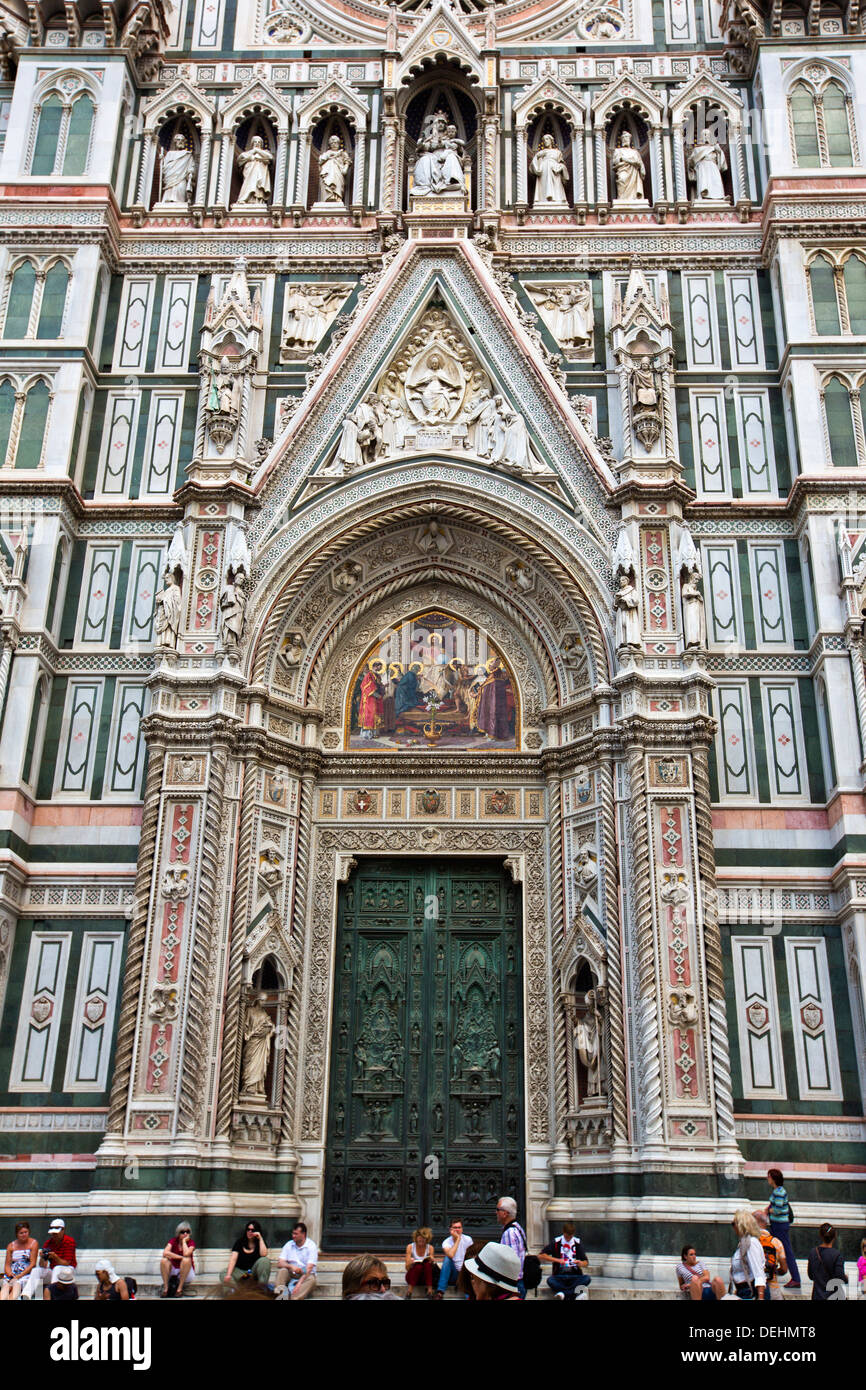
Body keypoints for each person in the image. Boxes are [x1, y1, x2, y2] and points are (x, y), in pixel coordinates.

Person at [22, 1216, 78, 1298]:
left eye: (56, 1233)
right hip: (53, 1270)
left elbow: (66, 1263)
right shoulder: (48, 1243)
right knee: (37, 1270)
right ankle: (26, 1295)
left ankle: (53, 1295)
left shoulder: (69, 1241)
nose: (54, 1235)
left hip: (68, 1270)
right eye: (53, 1233)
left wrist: (55, 1257)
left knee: (57, 1268)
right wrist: (42, 1257)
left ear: (63, 1230)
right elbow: (42, 1266)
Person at [765, 1168, 801, 1288]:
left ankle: (796, 1278)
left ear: (773, 1179)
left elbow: (779, 1209)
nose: (767, 1179)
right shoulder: (777, 1191)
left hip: (780, 1225)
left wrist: (768, 1210)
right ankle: (774, 1271)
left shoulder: (779, 1192)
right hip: (776, 1225)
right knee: (773, 1249)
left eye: (769, 1176)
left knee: (787, 1251)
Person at [540, 1221, 592, 1301]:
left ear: (573, 1234)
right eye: (567, 1236)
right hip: (560, 1275)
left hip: (575, 1275)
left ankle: (563, 1294)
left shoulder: (577, 1243)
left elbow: (586, 1262)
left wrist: (580, 1263)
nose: (568, 1239)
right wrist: (558, 1260)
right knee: (550, 1280)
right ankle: (574, 1295)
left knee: (587, 1278)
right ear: (563, 1232)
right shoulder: (557, 1242)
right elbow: (541, 1255)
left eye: (570, 1237)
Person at [727, 1209, 766, 1300]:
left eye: (734, 1223)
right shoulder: (743, 1243)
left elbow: (758, 1272)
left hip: (750, 1292)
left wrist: (760, 1297)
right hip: (743, 1291)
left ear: (742, 1225)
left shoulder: (751, 1243)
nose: (733, 1227)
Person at [275, 1221, 318, 1300]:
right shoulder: (289, 1244)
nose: (293, 1236)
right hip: (291, 1273)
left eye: (296, 1234)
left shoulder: (311, 1246)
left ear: (303, 1234)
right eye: (293, 1233)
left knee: (311, 1279)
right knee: (282, 1271)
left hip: (305, 1275)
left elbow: (308, 1269)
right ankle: (280, 1296)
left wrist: (299, 1283)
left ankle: (294, 1298)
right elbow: (279, 1263)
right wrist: (290, 1266)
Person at [496, 1195, 527, 1297]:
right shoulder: (518, 1228)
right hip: (518, 1282)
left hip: (513, 1285)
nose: (496, 1212)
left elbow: (511, 1261)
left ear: (505, 1213)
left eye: (498, 1210)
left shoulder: (509, 1233)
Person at [807, 1223, 847, 1301]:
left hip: (817, 1296)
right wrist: (846, 1278)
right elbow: (840, 1278)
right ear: (835, 1236)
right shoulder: (837, 1255)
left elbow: (811, 1275)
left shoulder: (813, 1252)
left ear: (821, 1236)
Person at [434, 1218, 472, 1299]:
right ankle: (440, 1291)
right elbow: (451, 1255)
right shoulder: (446, 1242)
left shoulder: (468, 1240)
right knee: (447, 1259)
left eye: (459, 1227)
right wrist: (458, 1239)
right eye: (455, 1227)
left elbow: (471, 1257)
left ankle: (470, 1297)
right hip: (453, 1274)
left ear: (462, 1229)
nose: (457, 1230)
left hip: (465, 1272)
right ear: (450, 1229)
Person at [224, 1220, 271, 1286]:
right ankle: (235, 1291)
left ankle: (262, 1287)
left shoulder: (260, 1243)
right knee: (224, 1273)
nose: (250, 1232)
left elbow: (264, 1254)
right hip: (242, 1274)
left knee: (265, 1260)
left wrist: (260, 1238)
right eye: (248, 1229)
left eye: (252, 1230)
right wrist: (228, 1275)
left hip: (252, 1273)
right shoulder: (240, 1242)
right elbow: (233, 1259)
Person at [753, 1210, 787, 1301]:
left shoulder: (747, 1242)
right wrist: (773, 1272)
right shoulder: (776, 1242)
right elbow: (784, 1269)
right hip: (773, 1289)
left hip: (753, 1287)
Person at [2, 1221, 38, 1300]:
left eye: (26, 1232)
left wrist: (19, 1276)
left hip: (26, 1274)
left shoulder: (33, 1243)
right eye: (21, 1233)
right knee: (6, 1286)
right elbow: (7, 1265)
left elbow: (33, 1264)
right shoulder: (11, 1246)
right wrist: (10, 1274)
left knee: (16, 1285)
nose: (24, 1234)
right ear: (17, 1234)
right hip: (13, 1274)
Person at [160, 1221, 196, 1298]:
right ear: (178, 1233)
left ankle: (179, 1289)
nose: (185, 1234)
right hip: (174, 1270)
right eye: (183, 1232)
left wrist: (184, 1242)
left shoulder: (191, 1243)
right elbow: (165, 1253)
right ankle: (166, 1289)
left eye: (188, 1232)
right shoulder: (173, 1241)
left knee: (186, 1260)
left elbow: (186, 1254)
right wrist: (181, 1257)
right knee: (164, 1260)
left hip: (186, 1272)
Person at [404, 1225, 437, 1298]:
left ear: (427, 1239)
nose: (421, 1241)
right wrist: (410, 1263)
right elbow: (406, 1268)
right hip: (412, 1276)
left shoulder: (430, 1248)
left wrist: (431, 1260)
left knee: (427, 1264)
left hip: (425, 1277)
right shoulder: (410, 1247)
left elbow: (431, 1265)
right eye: (420, 1239)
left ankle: (429, 1290)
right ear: (416, 1238)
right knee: (418, 1266)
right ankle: (409, 1291)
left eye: (423, 1239)